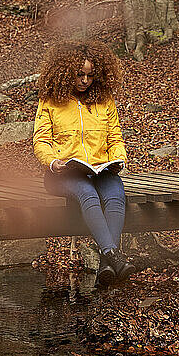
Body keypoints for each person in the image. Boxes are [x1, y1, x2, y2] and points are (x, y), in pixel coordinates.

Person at [33, 40, 136, 285]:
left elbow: (115, 137)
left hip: (101, 169)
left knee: (116, 195)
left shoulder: (104, 100)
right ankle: (112, 255)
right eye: (79, 74)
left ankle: (105, 265)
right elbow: (41, 140)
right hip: (64, 174)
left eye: (90, 75)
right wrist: (53, 162)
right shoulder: (50, 100)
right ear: (66, 72)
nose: (85, 81)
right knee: (88, 194)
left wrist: (118, 159)